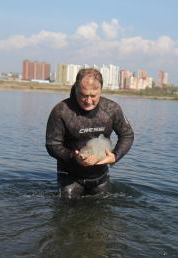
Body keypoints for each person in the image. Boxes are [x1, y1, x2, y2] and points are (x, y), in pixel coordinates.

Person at [46, 68, 134, 199]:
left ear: (100, 90)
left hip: (100, 178)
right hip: (69, 177)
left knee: (101, 216)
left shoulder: (111, 109)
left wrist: (115, 156)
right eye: (83, 95)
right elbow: (52, 144)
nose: (88, 101)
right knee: (66, 216)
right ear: (76, 89)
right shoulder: (61, 111)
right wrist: (73, 157)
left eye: (93, 96)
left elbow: (127, 135)